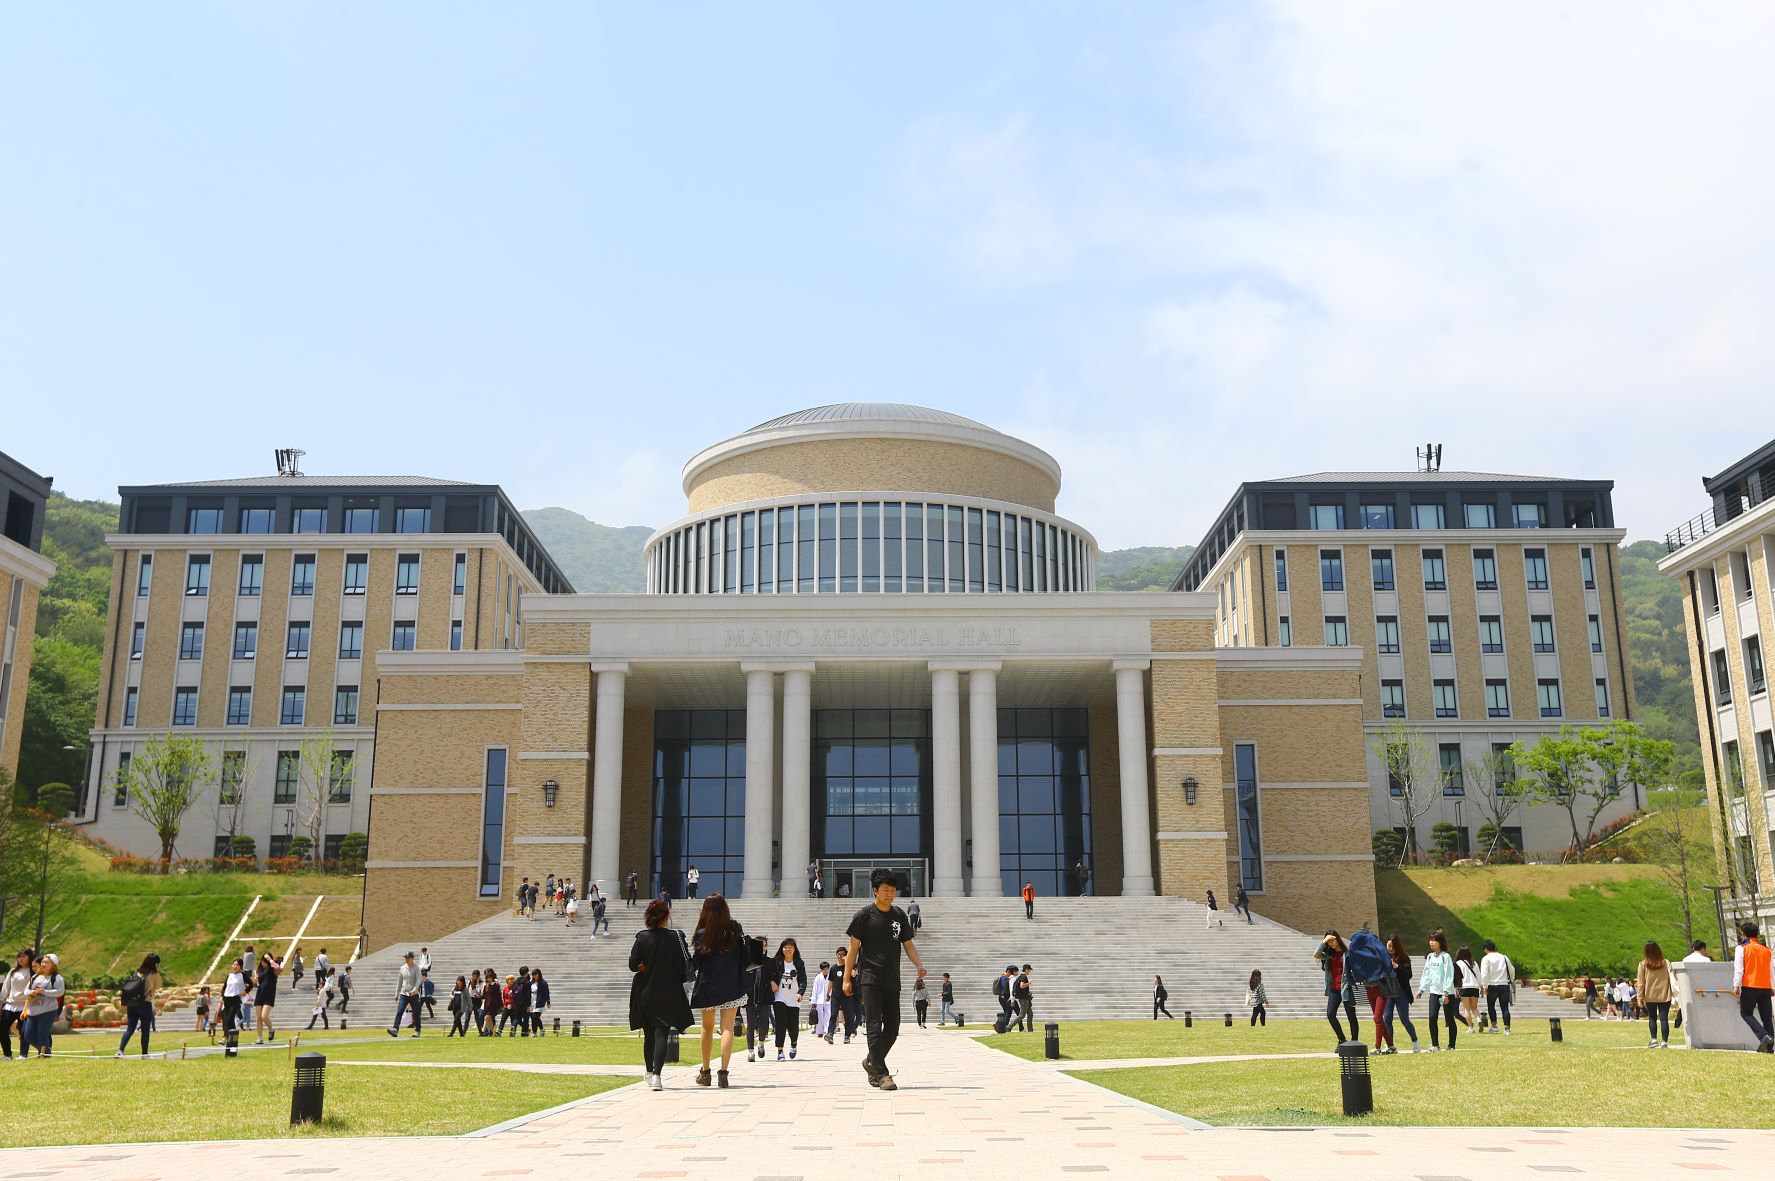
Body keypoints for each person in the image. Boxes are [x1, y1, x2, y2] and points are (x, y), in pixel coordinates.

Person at [843, 866, 926, 1091]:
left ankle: (872, 1061)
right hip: (869, 978)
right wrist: (846, 979)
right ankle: (882, 1074)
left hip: (892, 979)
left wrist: (919, 964)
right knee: (873, 1025)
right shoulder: (864, 916)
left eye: (893, 891)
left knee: (892, 1027)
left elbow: (908, 945)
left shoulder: (899, 915)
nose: (890, 894)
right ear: (875, 890)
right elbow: (853, 949)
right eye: (886, 890)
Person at [630, 897, 693, 1090]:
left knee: (649, 1034)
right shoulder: (677, 937)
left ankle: (649, 1072)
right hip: (670, 991)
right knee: (662, 1033)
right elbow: (686, 963)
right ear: (667, 916)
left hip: (647, 992)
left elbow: (633, 964)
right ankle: (657, 1075)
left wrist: (643, 965)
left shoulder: (642, 937)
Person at [690, 894, 747, 1087]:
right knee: (727, 1028)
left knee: (707, 1028)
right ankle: (723, 1073)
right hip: (732, 984)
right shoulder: (734, 929)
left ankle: (705, 1072)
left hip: (709, 985)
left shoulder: (702, 933)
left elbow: (697, 962)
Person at [1733, 920, 1774, 1053]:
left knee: (1746, 1013)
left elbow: (1739, 969)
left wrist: (1736, 985)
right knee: (1766, 1017)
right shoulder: (1766, 950)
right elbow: (1771, 970)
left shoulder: (1741, 948)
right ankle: (1769, 1046)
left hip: (1750, 985)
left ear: (1743, 934)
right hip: (1766, 987)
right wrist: (1772, 986)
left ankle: (1764, 1037)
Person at [1314, 931, 1359, 1043]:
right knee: (1330, 1014)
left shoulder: (1347, 953)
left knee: (1351, 1016)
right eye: (1328, 942)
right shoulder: (1329, 955)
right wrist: (1324, 942)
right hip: (1334, 989)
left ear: (1338, 939)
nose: (1331, 943)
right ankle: (1342, 1040)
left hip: (1346, 989)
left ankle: (1354, 1043)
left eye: (1332, 940)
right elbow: (1316, 954)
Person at [1417, 932, 1458, 1051]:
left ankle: (1451, 1045)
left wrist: (1446, 993)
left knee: (1449, 1019)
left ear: (1440, 942)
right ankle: (1435, 1045)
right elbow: (1426, 974)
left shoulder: (1445, 956)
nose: (1431, 942)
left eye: (1434, 940)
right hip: (1434, 992)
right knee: (1432, 1017)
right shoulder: (1430, 956)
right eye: (1430, 940)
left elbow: (1449, 974)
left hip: (1447, 993)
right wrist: (1421, 989)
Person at [20, 954, 64, 1059]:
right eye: (43, 962)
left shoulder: (57, 977)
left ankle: (44, 1056)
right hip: (33, 1011)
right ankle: (46, 1051)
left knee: (42, 1034)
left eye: (46, 963)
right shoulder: (35, 977)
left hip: (48, 1011)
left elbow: (60, 991)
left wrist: (44, 991)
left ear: (53, 965)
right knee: (28, 1036)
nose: (43, 964)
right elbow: (25, 991)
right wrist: (30, 992)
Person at [1381, 935, 1420, 1053]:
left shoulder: (1404, 958)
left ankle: (1415, 1041)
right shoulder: (1383, 957)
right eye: (1389, 946)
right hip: (1388, 992)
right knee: (1387, 1018)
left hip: (1401, 992)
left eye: (1393, 946)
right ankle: (1390, 1045)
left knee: (1404, 1019)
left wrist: (1397, 967)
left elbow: (1409, 975)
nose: (1390, 949)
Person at [770, 937, 807, 1060]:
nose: (787, 949)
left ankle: (793, 1044)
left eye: (790, 947)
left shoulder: (799, 963)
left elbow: (803, 980)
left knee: (793, 1026)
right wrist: (772, 982)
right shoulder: (777, 962)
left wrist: (800, 992)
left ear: (794, 949)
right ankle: (780, 1051)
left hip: (794, 999)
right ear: (782, 949)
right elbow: (769, 975)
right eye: (785, 947)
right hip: (779, 998)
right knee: (780, 1024)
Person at [116, 953, 159, 1057]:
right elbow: (152, 993)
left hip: (132, 1004)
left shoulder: (137, 974)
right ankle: (144, 1054)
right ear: (155, 964)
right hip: (145, 1004)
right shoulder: (153, 975)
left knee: (130, 1029)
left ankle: (120, 1050)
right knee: (145, 1030)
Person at [1637, 941, 1673, 1049]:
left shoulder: (1643, 964)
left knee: (1652, 1018)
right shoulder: (1666, 962)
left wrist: (1639, 997)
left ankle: (1654, 1040)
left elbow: (1640, 983)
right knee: (1664, 1019)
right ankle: (1664, 1042)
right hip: (1665, 994)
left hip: (1650, 995)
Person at [2, 948, 34, 1060]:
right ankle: (7, 1054)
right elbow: (5, 988)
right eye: (19, 956)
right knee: (2, 1028)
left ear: (30, 957)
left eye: (23, 956)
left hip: (25, 1006)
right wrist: (0, 1001)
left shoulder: (33, 971)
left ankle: (23, 1055)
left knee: (23, 1031)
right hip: (10, 1005)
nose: (20, 959)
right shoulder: (13, 972)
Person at [1478, 939, 1515, 1035]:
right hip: (1504, 985)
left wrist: (1484, 986)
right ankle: (1507, 1029)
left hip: (1492, 985)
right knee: (1505, 1008)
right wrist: (1511, 979)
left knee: (1491, 1006)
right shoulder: (1504, 957)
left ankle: (1494, 1026)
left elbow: (1484, 974)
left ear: (1485, 949)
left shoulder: (1486, 958)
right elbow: (1512, 970)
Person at [388, 950, 424, 1038]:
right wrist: (397, 993)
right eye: (405, 957)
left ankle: (417, 1031)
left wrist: (415, 990)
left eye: (408, 958)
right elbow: (400, 981)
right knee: (400, 1011)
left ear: (412, 958)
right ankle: (395, 1029)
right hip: (404, 994)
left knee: (416, 1013)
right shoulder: (402, 968)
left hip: (414, 994)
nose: (406, 959)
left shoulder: (417, 968)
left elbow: (418, 980)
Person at [253, 952, 281, 1044]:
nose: (263, 963)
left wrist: (270, 959)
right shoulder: (260, 970)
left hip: (269, 995)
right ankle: (259, 1037)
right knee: (258, 1017)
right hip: (260, 995)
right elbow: (255, 985)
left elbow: (279, 969)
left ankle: (271, 1029)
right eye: (262, 961)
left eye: (265, 961)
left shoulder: (273, 969)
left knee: (264, 1016)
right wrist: (255, 981)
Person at [1454, 945, 1482, 1032]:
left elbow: (1457, 978)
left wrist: (1456, 988)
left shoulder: (1458, 963)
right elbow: (1479, 976)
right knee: (1474, 1008)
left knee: (1467, 1009)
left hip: (1464, 987)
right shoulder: (1474, 963)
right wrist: (1481, 986)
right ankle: (1479, 1019)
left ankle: (1470, 1028)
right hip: (1475, 987)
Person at [221, 957, 247, 1043]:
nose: (235, 966)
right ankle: (233, 1038)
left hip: (235, 999)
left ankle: (225, 1037)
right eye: (234, 964)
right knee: (228, 1020)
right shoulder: (229, 976)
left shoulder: (242, 975)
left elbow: (250, 983)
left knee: (229, 1019)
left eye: (237, 964)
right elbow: (224, 987)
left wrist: (245, 991)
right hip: (227, 999)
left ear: (240, 966)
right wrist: (222, 997)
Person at [810, 960, 833, 1039]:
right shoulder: (818, 977)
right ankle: (819, 1031)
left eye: (826, 969)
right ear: (821, 969)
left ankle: (827, 1031)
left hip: (829, 999)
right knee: (819, 1016)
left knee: (828, 1015)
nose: (825, 970)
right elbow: (814, 989)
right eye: (824, 969)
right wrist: (813, 1000)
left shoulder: (831, 976)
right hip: (819, 999)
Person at [482, 965, 503, 1035]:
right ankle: (494, 1033)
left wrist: (501, 1004)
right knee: (490, 1020)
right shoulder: (486, 986)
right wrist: (479, 996)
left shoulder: (496, 986)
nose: (489, 979)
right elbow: (484, 995)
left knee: (486, 1017)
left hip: (493, 1004)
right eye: (487, 978)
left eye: (490, 977)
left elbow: (499, 995)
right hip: (487, 1004)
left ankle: (482, 1030)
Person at [995, 964, 1017, 1032]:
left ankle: (1000, 1025)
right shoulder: (1004, 978)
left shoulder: (1005, 978)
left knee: (1007, 1012)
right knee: (1008, 1012)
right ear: (1008, 972)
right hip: (1004, 998)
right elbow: (1006, 987)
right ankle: (1002, 1027)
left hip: (1004, 998)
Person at [529, 968, 551, 1035]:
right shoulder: (531, 982)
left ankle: (536, 1032)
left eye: (536, 975)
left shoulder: (543, 983)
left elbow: (547, 993)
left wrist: (548, 1002)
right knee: (533, 1018)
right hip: (531, 1002)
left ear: (539, 974)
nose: (534, 976)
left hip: (539, 1002)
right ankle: (540, 1029)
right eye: (533, 975)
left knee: (535, 1017)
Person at [1014, 965, 1034, 1033]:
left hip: (1025, 998)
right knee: (1022, 1015)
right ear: (1026, 969)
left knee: (1030, 1014)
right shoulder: (1023, 976)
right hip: (1023, 999)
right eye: (1029, 970)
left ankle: (1030, 1030)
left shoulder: (1021, 976)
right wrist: (1029, 983)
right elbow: (1022, 986)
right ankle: (1008, 1027)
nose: (1030, 971)